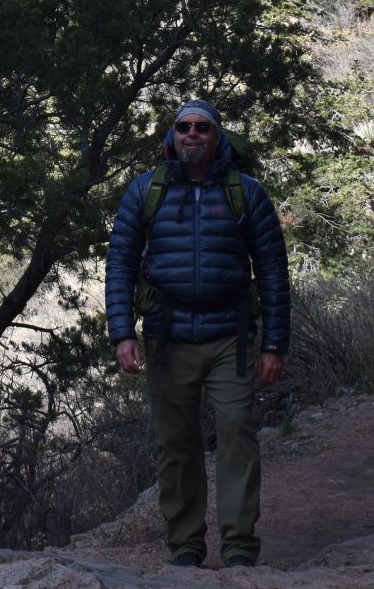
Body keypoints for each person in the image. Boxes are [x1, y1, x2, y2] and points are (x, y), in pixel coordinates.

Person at [105, 98, 290, 570]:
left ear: (216, 136)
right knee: (175, 443)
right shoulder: (145, 190)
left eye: (202, 128)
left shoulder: (246, 192)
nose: (192, 134)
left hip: (230, 335)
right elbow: (120, 262)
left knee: (237, 433)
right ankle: (186, 547)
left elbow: (273, 270)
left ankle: (239, 548)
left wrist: (274, 344)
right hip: (166, 337)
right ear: (172, 136)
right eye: (184, 127)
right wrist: (122, 333)